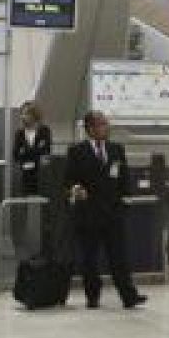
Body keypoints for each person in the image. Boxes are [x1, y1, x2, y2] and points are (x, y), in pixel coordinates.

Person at [64, 110, 147, 310]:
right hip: (88, 213)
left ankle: (129, 296)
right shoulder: (77, 151)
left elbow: (124, 178)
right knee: (90, 259)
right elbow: (68, 180)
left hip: (113, 212)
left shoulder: (116, 149)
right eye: (101, 124)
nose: (105, 128)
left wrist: (125, 199)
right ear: (90, 129)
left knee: (119, 257)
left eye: (106, 124)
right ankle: (93, 296)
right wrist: (76, 189)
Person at [11, 101, 52, 196]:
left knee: (41, 201)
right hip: (24, 175)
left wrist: (25, 152)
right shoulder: (20, 133)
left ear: (34, 115)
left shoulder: (44, 131)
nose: (23, 116)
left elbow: (46, 151)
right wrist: (36, 150)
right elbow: (16, 155)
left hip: (41, 175)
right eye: (22, 114)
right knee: (26, 201)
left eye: (25, 113)